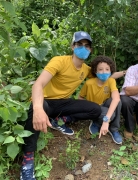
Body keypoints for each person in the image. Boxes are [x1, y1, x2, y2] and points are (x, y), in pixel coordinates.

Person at [20, 31, 124, 180]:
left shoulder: (86, 70)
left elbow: (105, 75)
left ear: (90, 50)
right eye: (79, 44)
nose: (83, 48)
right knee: (37, 107)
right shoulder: (59, 61)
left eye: (87, 46)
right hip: (46, 101)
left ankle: (60, 120)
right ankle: (27, 161)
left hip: (63, 102)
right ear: (72, 46)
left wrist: (126, 71)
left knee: (94, 109)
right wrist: (37, 108)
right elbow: (38, 84)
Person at [79, 55, 122, 144]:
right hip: (93, 107)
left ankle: (113, 129)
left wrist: (106, 120)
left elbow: (116, 98)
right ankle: (96, 123)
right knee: (111, 115)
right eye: (100, 69)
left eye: (107, 69)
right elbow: (80, 97)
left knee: (117, 102)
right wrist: (86, 109)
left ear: (111, 71)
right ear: (95, 71)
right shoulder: (89, 83)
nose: (104, 72)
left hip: (104, 105)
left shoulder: (111, 81)